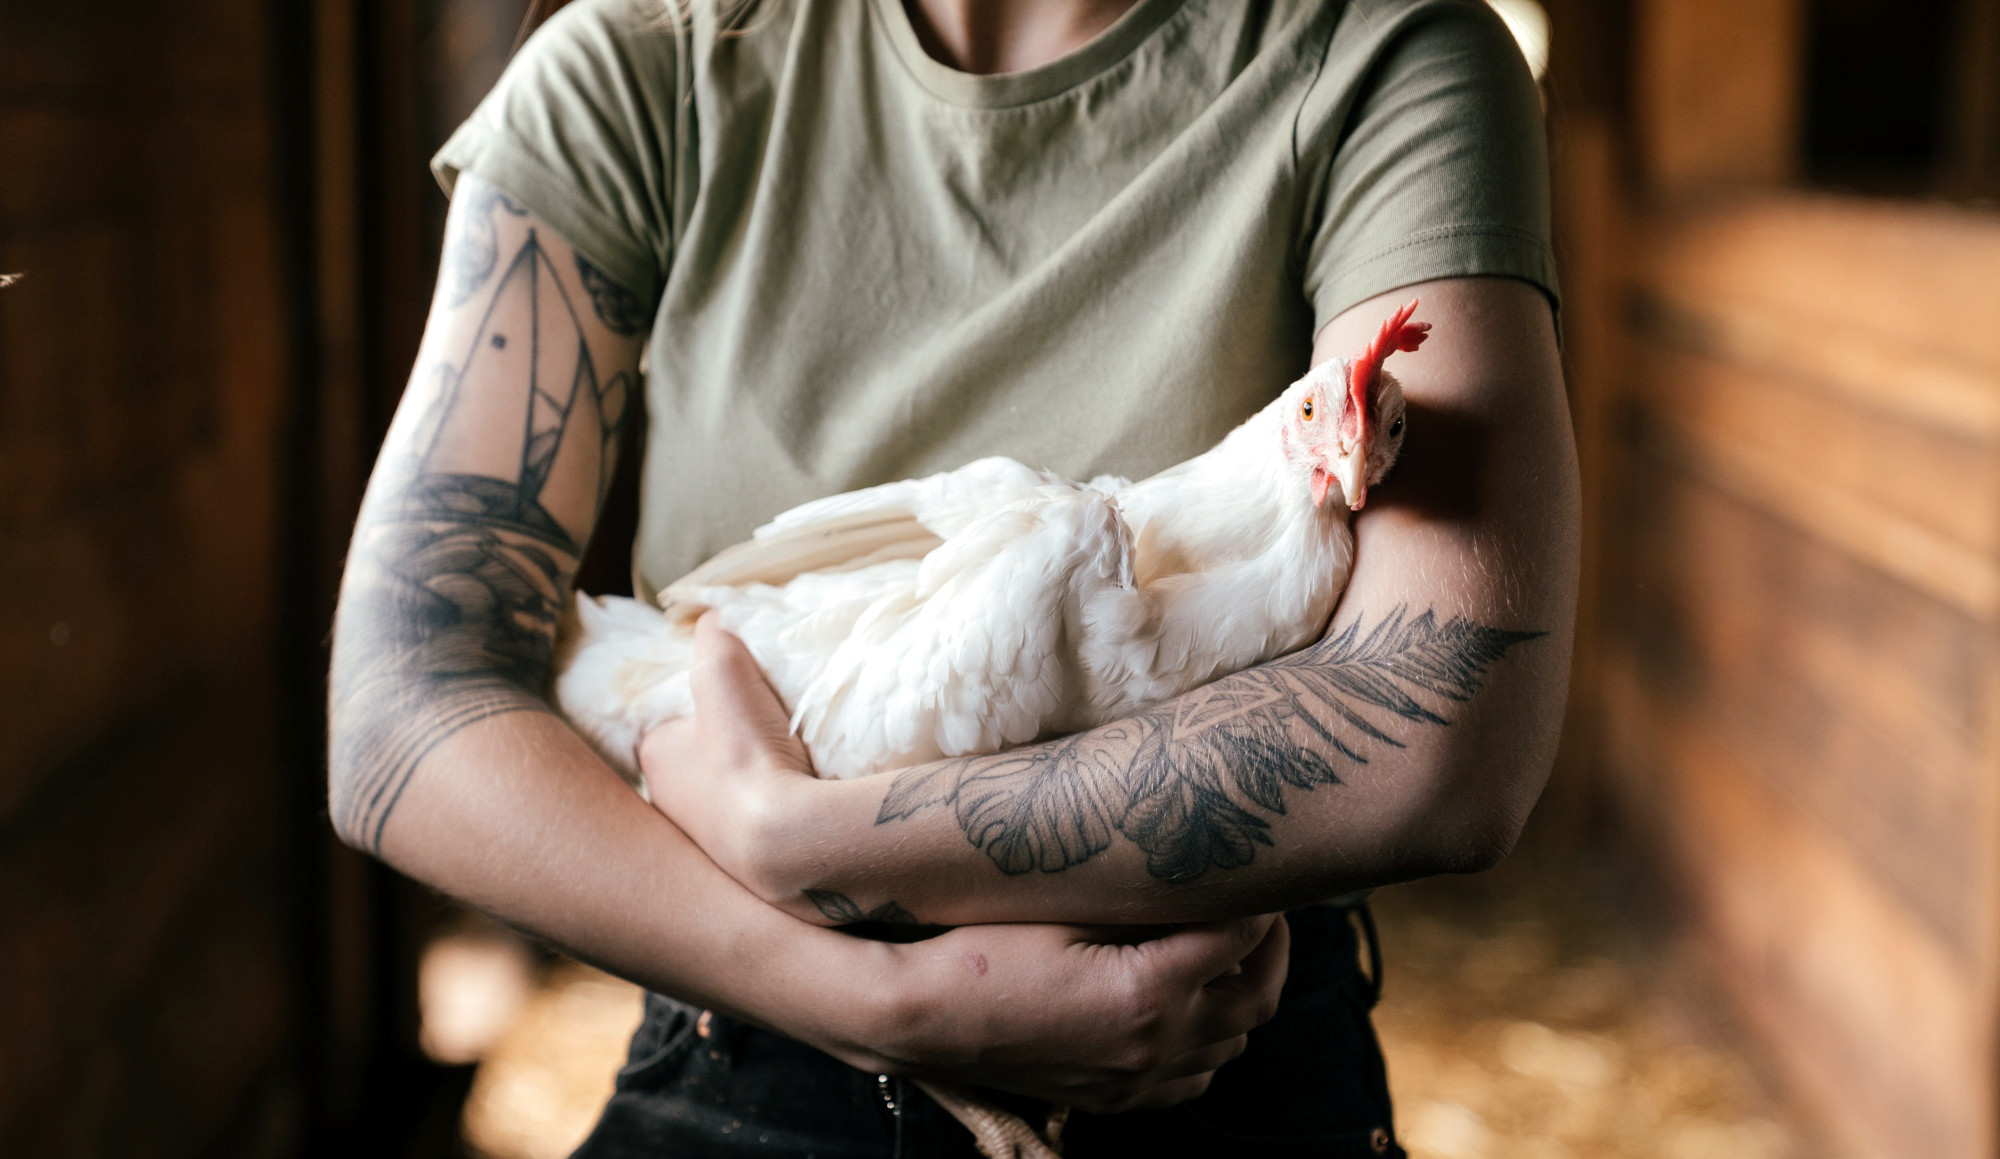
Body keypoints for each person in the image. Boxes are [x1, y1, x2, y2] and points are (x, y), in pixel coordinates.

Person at [327, 0, 1578, 1154]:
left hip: (1208, 1041)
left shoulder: (1386, 52)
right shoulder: (646, 55)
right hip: (749, 1028)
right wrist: (877, 996)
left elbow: (1442, 739)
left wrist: (798, 835)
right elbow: (400, 706)